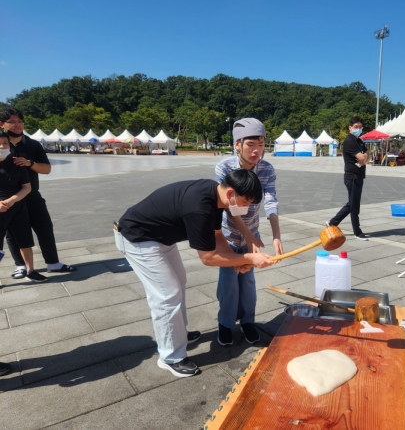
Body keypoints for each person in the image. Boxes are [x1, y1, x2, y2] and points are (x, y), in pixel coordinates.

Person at [115, 169, 273, 378]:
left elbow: (217, 236)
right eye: (245, 202)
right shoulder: (200, 208)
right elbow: (208, 258)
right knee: (167, 295)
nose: (245, 208)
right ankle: (171, 357)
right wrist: (249, 259)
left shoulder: (215, 196)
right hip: (138, 240)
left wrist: (238, 262)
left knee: (179, 283)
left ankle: (178, 335)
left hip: (161, 239)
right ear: (230, 193)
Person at [215, 118, 283, 346]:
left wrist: (276, 235)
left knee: (248, 282)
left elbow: (271, 201)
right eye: (250, 144)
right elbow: (230, 205)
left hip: (252, 232)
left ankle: (247, 322)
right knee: (228, 283)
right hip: (228, 236)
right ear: (237, 144)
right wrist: (247, 236)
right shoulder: (224, 167)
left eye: (261, 144)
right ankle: (225, 324)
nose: (256, 151)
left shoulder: (266, 169)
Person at [0, 109, 77, 278]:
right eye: (12, 122)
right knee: (13, 234)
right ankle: (21, 266)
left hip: (32, 195)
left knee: (45, 228)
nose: (17, 125)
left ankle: (53, 263)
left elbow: (47, 169)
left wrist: (30, 163)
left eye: (20, 121)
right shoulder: (2, 144)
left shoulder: (33, 145)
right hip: (9, 199)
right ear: (2, 124)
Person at [0, 132, 46, 282]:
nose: (2, 146)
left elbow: (27, 187)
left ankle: (30, 270)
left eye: (5, 143)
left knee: (25, 240)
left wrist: (12, 200)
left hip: (17, 206)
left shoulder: (16, 163)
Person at [327, 116, 370, 241]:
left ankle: (333, 222)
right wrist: (364, 157)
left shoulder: (359, 141)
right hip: (352, 176)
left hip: (358, 175)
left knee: (352, 203)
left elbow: (367, 155)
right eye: (356, 127)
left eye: (360, 127)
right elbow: (363, 158)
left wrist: (365, 157)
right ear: (350, 128)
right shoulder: (350, 141)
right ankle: (357, 231)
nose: (358, 129)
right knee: (354, 205)